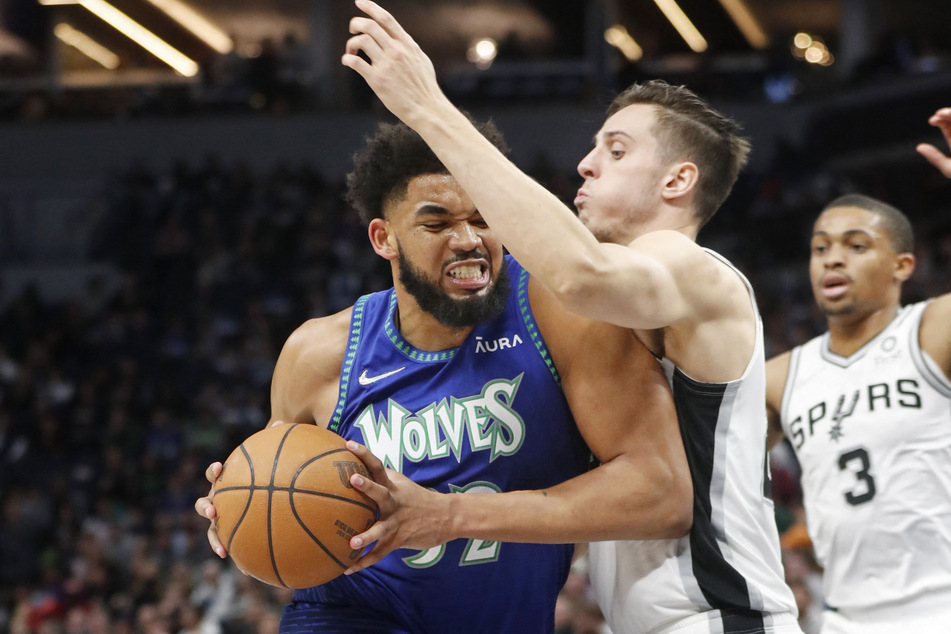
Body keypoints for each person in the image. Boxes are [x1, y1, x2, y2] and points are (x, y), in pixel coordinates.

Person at [340, 2, 801, 633]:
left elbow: (581, 275)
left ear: (677, 181)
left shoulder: (693, 269)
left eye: (615, 150)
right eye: (593, 147)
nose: (586, 164)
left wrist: (428, 108)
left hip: (718, 616)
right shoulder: (616, 312)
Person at [195, 120, 692, 633]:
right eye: (437, 225)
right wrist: (238, 506)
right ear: (383, 238)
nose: (468, 240)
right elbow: (279, 489)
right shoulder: (320, 352)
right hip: (350, 613)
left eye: (483, 218)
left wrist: (448, 516)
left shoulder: (562, 314)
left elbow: (661, 492)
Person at [764, 107, 951, 633]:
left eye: (856, 246)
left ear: (902, 266)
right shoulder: (783, 374)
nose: (832, 260)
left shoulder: (931, 329)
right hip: (844, 618)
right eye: (820, 248)